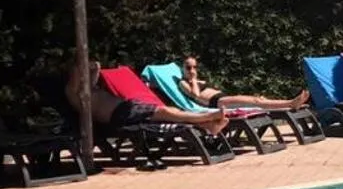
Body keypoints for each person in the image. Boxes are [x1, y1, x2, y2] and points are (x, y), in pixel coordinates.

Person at [68, 61, 226, 133]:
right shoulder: (74, 93)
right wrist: (79, 66)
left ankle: (208, 126)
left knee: (167, 114)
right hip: (119, 115)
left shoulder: (90, 89)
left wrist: (92, 66)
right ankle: (208, 116)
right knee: (166, 113)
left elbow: (96, 67)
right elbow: (77, 73)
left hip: (127, 108)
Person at [179, 56, 309, 111]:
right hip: (216, 103)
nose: (192, 70)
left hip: (222, 98)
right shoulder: (183, 83)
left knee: (258, 100)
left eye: (194, 67)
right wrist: (194, 80)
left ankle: (290, 103)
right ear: (182, 68)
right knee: (256, 101)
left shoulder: (198, 81)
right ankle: (291, 103)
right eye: (188, 67)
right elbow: (195, 96)